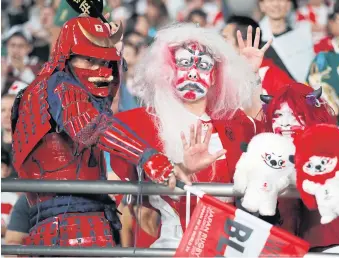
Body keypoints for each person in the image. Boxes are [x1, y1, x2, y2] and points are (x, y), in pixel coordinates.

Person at [10, 15, 204, 247]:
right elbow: (92, 125)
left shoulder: (52, 88)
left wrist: (114, 52)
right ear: (67, 57)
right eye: (90, 60)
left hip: (75, 217)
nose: (101, 70)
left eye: (104, 62)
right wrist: (149, 157)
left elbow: (101, 103)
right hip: (69, 223)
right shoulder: (58, 85)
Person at [111, 23, 270, 248]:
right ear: (167, 69)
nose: (194, 72)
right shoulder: (143, 123)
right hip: (173, 243)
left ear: (215, 76)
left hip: (226, 243)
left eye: (204, 65)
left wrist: (250, 75)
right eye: (185, 63)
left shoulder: (232, 124)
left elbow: (261, 132)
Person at [260, 82, 339, 254]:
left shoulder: (326, 144)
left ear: (311, 116)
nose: (285, 124)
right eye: (278, 115)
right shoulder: (272, 156)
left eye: (295, 114)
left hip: (334, 243)